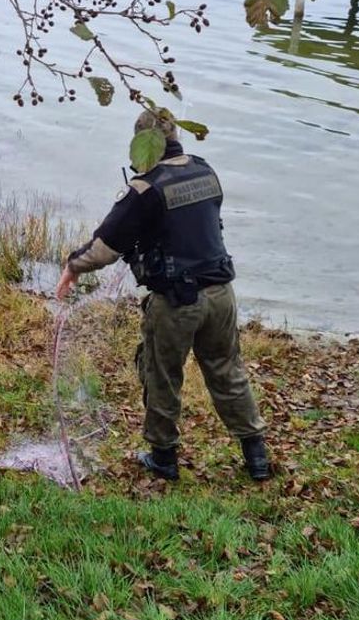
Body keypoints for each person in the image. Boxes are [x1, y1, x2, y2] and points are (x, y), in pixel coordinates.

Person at [55, 110, 269, 482]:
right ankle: (257, 457)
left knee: (161, 376)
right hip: (221, 294)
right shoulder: (205, 170)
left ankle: (163, 457)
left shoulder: (144, 189)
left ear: (142, 145)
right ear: (174, 137)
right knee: (227, 372)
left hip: (176, 302)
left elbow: (104, 249)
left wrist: (73, 266)